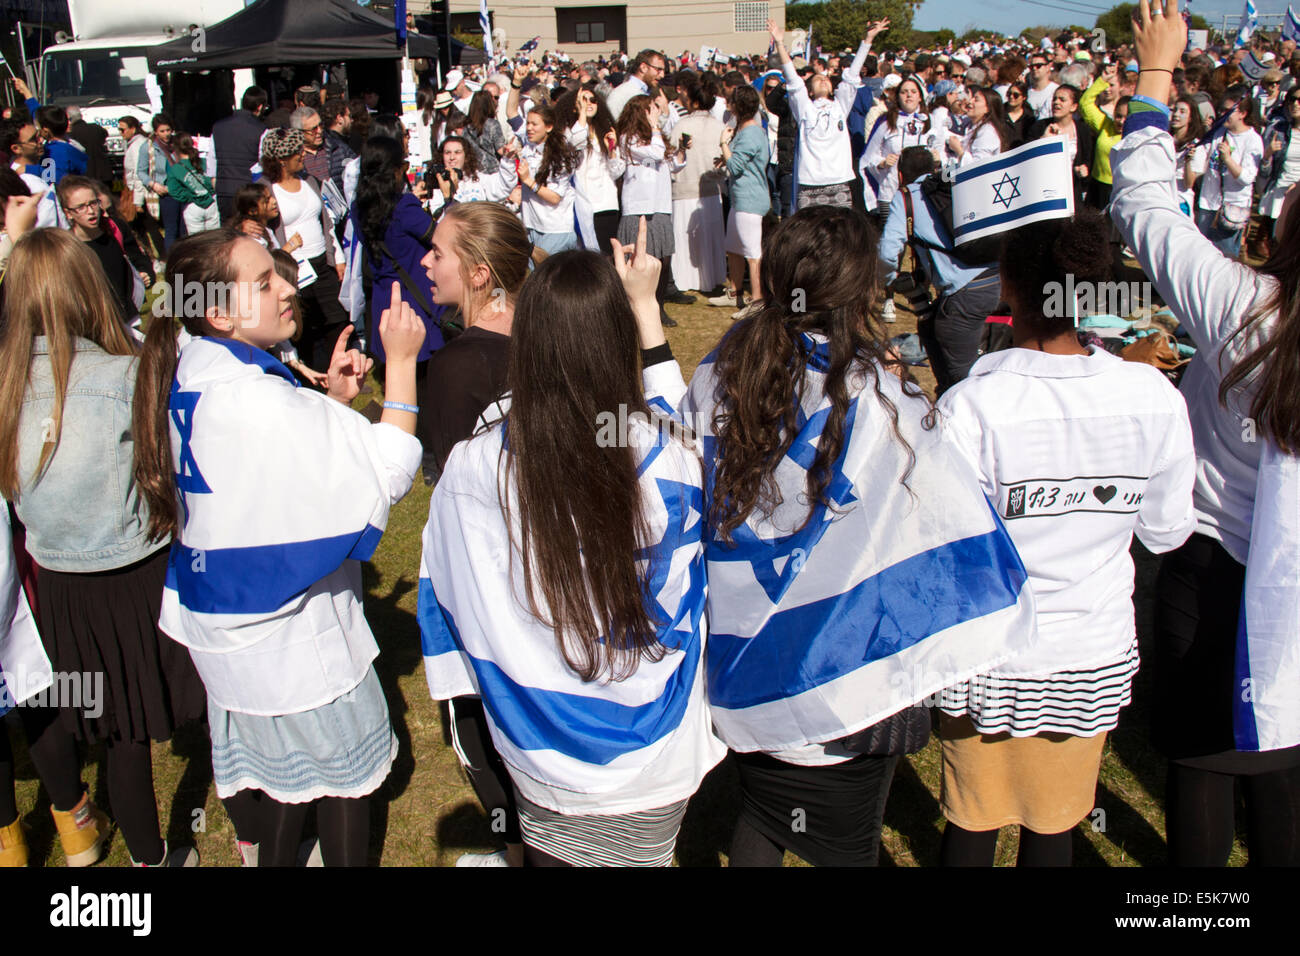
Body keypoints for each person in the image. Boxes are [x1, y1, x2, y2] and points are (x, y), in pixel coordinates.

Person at [650, 206, 1034, 867]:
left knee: (768, 813)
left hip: (744, 667)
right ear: (860, 292)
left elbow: (685, 468)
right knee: (845, 845)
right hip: (846, 674)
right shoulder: (886, 398)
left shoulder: (719, 372)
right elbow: (951, 526)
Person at [418, 224, 726, 867]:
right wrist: (644, 304)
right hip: (661, 750)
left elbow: (446, 593)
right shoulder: (671, 453)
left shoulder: (478, 465)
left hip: (542, 749)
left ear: (526, 343)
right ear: (617, 342)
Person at [135, 227, 426, 867]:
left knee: (289, 788)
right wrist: (401, 365)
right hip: (290, 643)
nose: (288, 289)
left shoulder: (194, 363)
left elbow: (271, 468)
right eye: (264, 283)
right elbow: (387, 472)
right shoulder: (255, 397)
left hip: (226, 625)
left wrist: (329, 405)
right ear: (219, 312)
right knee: (342, 789)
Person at [935, 208, 1196, 867]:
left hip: (988, 655)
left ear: (1005, 288)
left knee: (972, 819)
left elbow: (946, 549)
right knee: (1054, 827)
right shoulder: (1154, 396)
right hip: (1088, 653)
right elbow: (1166, 534)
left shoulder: (972, 406)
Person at [1111, 0, 1300, 867]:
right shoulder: (1243, 305)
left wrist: (1156, 74)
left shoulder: (1240, 304)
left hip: (1212, 559)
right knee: (1283, 761)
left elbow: (1144, 202)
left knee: (1200, 765)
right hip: (1266, 573)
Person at [0, 229, 206, 867]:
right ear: (91, 289)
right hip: (135, 576)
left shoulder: (6, 389)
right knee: (156, 712)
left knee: (117, 729)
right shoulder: (128, 374)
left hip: (58, 589)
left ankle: (144, 856)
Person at [418, 201, 531, 865]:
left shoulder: (459, 367)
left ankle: (519, 855)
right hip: (551, 575)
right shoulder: (552, 342)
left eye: (438, 253)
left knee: (481, 733)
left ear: (481, 273)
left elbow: (457, 498)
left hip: (488, 586)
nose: (425, 262)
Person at [352, 136, 447, 477]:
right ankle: (433, 458)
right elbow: (438, 235)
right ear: (394, 170)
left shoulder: (359, 207)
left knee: (402, 383)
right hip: (416, 302)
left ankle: (413, 449)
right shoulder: (404, 207)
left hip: (384, 302)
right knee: (428, 383)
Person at [878, 148, 1001, 394]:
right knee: (931, 329)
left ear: (901, 176)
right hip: (996, 279)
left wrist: (891, 280)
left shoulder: (907, 197)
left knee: (960, 381)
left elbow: (886, 253)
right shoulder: (954, 184)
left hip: (963, 293)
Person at [770, 17, 882, 211]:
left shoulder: (840, 105)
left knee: (838, 233)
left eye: (826, 79)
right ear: (810, 91)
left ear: (832, 87)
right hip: (809, 182)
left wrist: (867, 40)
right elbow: (792, 78)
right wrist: (780, 43)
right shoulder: (804, 107)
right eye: (817, 79)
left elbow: (853, 74)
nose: (823, 80)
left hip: (839, 180)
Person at [261, 127, 350, 371]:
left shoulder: (309, 180)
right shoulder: (266, 188)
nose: (303, 155)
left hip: (323, 262)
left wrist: (338, 257)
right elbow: (264, 231)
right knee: (306, 325)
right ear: (281, 160)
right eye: (296, 152)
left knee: (336, 318)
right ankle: (314, 372)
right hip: (295, 269)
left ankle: (337, 368)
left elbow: (326, 221)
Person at [615, 95, 683, 324]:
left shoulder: (656, 138)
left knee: (663, 260)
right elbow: (654, 153)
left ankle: (659, 306)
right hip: (638, 207)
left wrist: (681, 151)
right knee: (639, 259)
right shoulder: (628, 138)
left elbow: (671, 164)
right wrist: (655, 127)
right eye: (651, 109)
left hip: (661, 205)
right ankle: (634, 308)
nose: (655, 112)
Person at [659, 74, 724, 291]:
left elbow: (671, 155)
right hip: (711, 189)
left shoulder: (683, 125)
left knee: (686, 239)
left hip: (685, 188)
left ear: (694, 101)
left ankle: (685, 281)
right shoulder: (719, 126)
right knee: (710, 239)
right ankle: (711, 278)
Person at [57, 175, 140, 325]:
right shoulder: (69, 249)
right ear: (68, 213)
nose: (90, 211)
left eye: (93, 203)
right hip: (96, 324)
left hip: (128, 318)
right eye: (81, 207)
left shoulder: (111, 236)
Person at [717, 85, 769, 316]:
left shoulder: (750, 133)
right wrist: (725, 157)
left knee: (752, 253)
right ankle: (735, 292)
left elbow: (736, 167)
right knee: (734, 248)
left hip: (749, 200)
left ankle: (758, 301)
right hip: (741, 199)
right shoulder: (750, 131)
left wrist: (724, 144)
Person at [1195, 91, 1263, 259]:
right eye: (1221, 110)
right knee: (1199, 254)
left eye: (1227, 111)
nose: (1221, 114)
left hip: (1232, 208)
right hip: (1208, 203)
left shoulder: (1253, 140)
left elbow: (1246, 178)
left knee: (1224, 258)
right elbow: (1201, 158)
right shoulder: (1218, 133)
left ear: (1242, 113)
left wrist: (1228, 159)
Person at [504, 104, 580, 255]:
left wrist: (528, 181)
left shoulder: (561, 155)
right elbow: (511, 112)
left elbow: (555, 197)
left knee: (541, 274)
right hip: (532, 226)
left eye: (534, 124)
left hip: (555, 229)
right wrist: (516, 82)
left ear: (549, 127)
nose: (529, 128)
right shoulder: (528, 146)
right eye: (528, 124)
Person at [1028, 86, 1096, 206]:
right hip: (1046, 192)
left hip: (1072, 192)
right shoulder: (1039, 127)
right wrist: (1044, 139)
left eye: (1062, 100)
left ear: (1073, 106)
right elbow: (1028, 160)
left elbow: (1088, 159)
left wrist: (1083, 171)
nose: (1056, 103)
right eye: (1054, 99)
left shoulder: (1083, 129)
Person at [213, 86, 269, 222]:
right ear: (260, 107)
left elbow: (211, 165)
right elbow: (263, 163)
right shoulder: (261, 130)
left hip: (224, 191)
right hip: (248, 192)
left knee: (229, 237)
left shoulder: (217, 127)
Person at [1080, 64, 1130, 208]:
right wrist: (1102, 80)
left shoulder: (1134, 136)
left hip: (1119, 189)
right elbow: (1085, 103)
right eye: (1119, 116)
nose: (1121, 121)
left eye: (1126, 118)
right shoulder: (1106, 125)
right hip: (1096, 186)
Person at [1258, 86, 1300, 255]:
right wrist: (1268, 154)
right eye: (1292, 100)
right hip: (1278, 195)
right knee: (1278, 247)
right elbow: (1264, 171)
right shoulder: (1279, 130)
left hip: (1297, 194)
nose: (1295, 104)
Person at [141, 114, 183, 250]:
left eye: (168, 130)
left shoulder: (177, 143)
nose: (166, 134)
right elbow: (141, 171)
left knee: (184, 231)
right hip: (166, 192)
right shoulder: (148, 146)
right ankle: (175, 269)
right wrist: (153, 185)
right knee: (172, 230)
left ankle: (185, 267)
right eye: (162, 131)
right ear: (155, 132)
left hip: (182, 190)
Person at [165, 132, 220, 236]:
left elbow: (174, 190)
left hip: (193, 207)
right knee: (214, 239)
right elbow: (213, 181)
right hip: (211, 203)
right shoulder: (204, 161)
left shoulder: (176, 168)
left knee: (197, 242)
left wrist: (190, 197)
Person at [947, 87, 1008, 167]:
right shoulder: (974, 126)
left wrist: (958, 149)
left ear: (987, 108)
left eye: (976, 100)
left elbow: (978, 167)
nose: (970, 102)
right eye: (972, 98)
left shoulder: (987, 131)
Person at [606, 49, 669, 126]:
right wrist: (664, 115)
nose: (662, 75)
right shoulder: (621, 94)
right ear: (643, 67)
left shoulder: (654, 93)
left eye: (663, 71)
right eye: (658, 70)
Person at [1170, 96, 1207, 218]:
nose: (1176, 115)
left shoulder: (1196, 146)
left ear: (1191, 118)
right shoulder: (1165, 139)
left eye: (1182, 112)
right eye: (1175, 110)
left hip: (1180, 203)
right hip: (1162, 199)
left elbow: (1188, 184)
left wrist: (1187, 162)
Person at [461, 91, 506, 175]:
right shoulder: (492, 124)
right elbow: (500, 149)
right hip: (492, 170)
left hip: (474, 170)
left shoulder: (466, 126)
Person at [1026, 53, 1060, 120]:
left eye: (1038, 66)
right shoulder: (1026, 92)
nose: (1034, 69)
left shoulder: (1056, 90)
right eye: (1031, 66)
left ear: (1047, 67)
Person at [1003, 82, 1035, 148]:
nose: (1011, 97)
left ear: (1024, 97)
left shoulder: (1029, 118)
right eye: (1009, 94)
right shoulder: (999, 113)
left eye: (1016, 95)